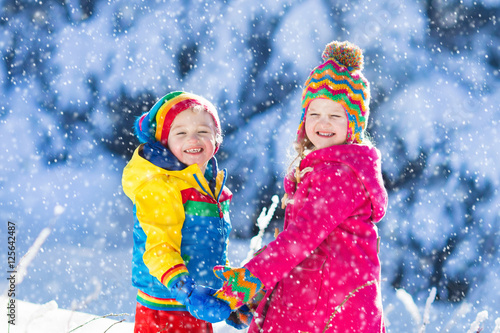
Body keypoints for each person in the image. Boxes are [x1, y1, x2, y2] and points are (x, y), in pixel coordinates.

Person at [212, 41, 389, 332]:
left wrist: (251, 278)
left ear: (354, 123)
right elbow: (305, 246)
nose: (323, 122)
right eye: (315, 113)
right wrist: (263, 290)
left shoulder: (340, 175)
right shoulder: (323, 169)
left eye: (335, 115)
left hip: (332, 306)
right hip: (323, 298)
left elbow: (301, 239)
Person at [122, 91, 247, 333]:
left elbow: (211, 249)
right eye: (180, 133)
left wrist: (227, 296)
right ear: (164, 142)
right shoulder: (161, 186)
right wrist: (187, 291)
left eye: (203, 131)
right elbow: (158, 249)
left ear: (216, 140)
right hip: (165, 307)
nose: (193, 139)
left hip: (196, 304)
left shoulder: (211, 188)